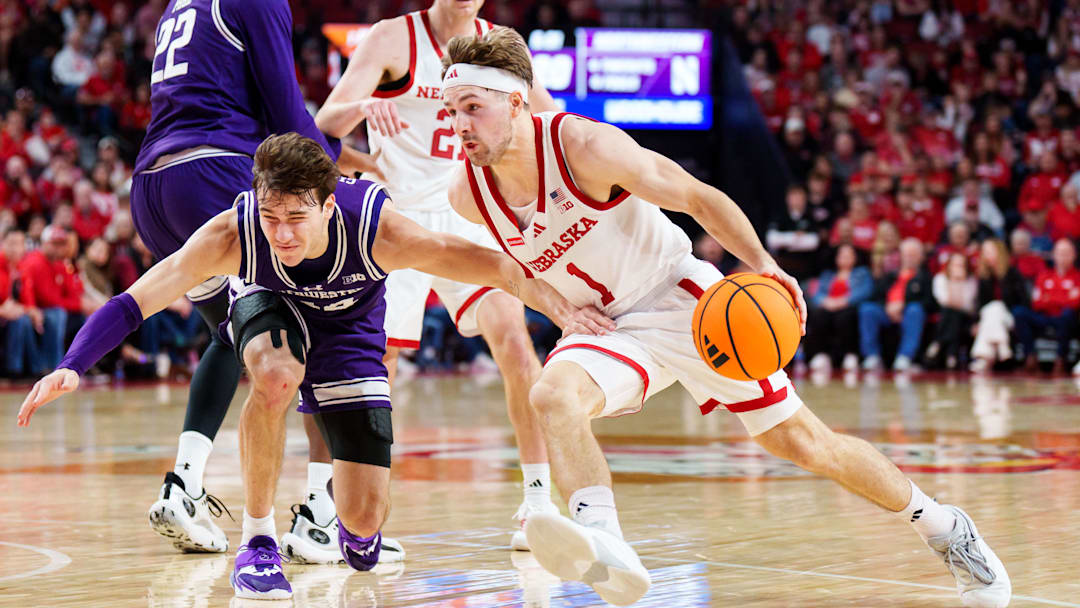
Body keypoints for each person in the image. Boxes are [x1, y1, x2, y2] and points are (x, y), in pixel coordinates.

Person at [439, 28, 1009, 607]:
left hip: (682, 299)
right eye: (451, 110)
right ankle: (606, 545)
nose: (459, 125)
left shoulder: (582, 146)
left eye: (472, 108)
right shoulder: (467, 194)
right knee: (552, 396)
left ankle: (941, 525)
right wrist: (555, 305)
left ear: (514, 102)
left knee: (807, 445)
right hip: (607, 327)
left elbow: (698, 197)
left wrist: (764, 265)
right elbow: (509, 268)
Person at [16, 132, 605, 599]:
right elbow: (139, 297)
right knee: (272, 376)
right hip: (270, 307)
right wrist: (73, 363)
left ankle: (350, 530)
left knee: (365, 523)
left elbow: (496, 267)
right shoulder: (235, 233)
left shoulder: (381, 229)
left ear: (328, 204)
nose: (282, 233)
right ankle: (258, 541)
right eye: (271, 217)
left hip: (349, 329)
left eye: (297, 219)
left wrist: (564, 310)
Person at [314, 0, 563, 550]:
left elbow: (548, 122)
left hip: (468, 212)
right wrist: (363, 109)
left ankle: (539, 503)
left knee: (516, 345)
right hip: (396, 216)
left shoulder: (496, 45)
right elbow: (324, 124)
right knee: (379, 367)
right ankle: (347, 514)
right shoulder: (392, 38)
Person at [131, 0, 366, 559]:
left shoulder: (178, 4)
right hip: (215, 171)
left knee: (233, 336)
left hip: (153, 188)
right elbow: (284, 107)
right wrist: (337, 171)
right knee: (306, 328)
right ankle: (319, 514)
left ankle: (183, 485)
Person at [858, 238, 934, 372]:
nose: (909, 258)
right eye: (907, 254)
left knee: (915, 310)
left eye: (913, 255)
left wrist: (903, 306)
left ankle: (905, 357)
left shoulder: (925, 278)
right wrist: (887, 307)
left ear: (920, 257)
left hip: (908, 313)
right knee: (867, 309)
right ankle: (872, 356)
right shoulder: (890, 276)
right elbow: (876, 296)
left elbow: (929, 302)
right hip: (886, 311)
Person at [1013, 238, 1080, 374]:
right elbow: (1036, 302)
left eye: (1067, 253)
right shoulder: (1044, 275)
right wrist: (1063, 298)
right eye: (1060, 252)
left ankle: (1061, 360)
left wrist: (1049, 298)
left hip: (1066, 320)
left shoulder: (1077, 277)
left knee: (1067, 314)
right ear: (1054, 254)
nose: (1063, 256)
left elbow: (1075, 303)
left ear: (1074, 255)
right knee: (1019, 312)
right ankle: (1030, 357)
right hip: (1044, 316)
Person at [804, 243, 871, 372]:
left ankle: (850, 354)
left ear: (855, 258)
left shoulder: (862, 273)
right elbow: (817, 292)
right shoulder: (828, 275)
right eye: (842, 255)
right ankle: (821, 354)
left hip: (849, 306)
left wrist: (844, 300)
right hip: (829, 305)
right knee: (818, 315)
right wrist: (824, 301)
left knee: (845, 317)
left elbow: (865, 291)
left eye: (848, 256)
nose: (845, 258)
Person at [970, 239, 1028, 373]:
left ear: (999, 253)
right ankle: (1002, 347)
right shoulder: (984, 277)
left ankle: (983, 358)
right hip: (989, 320)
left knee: (996, 307)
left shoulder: (1013, 274)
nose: (986, 255)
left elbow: (1024, 301)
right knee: (993, 309)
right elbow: (979, 304)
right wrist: (976, 322)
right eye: (984, 252)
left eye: (990, 251)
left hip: (1010, 317)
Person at [926, 252, 978, 369]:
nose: (958, 268)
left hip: (965, 318)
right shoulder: (940, 278)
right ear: (949, 265)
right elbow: (943, 301)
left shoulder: (971, 281)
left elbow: (967, 306)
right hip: (949, 316)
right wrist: (954, 282)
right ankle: (952, 354)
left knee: (953, 314)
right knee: (951, 313)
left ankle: (938, 342)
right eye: (955, 264)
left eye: (961, 265)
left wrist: (959, 282)